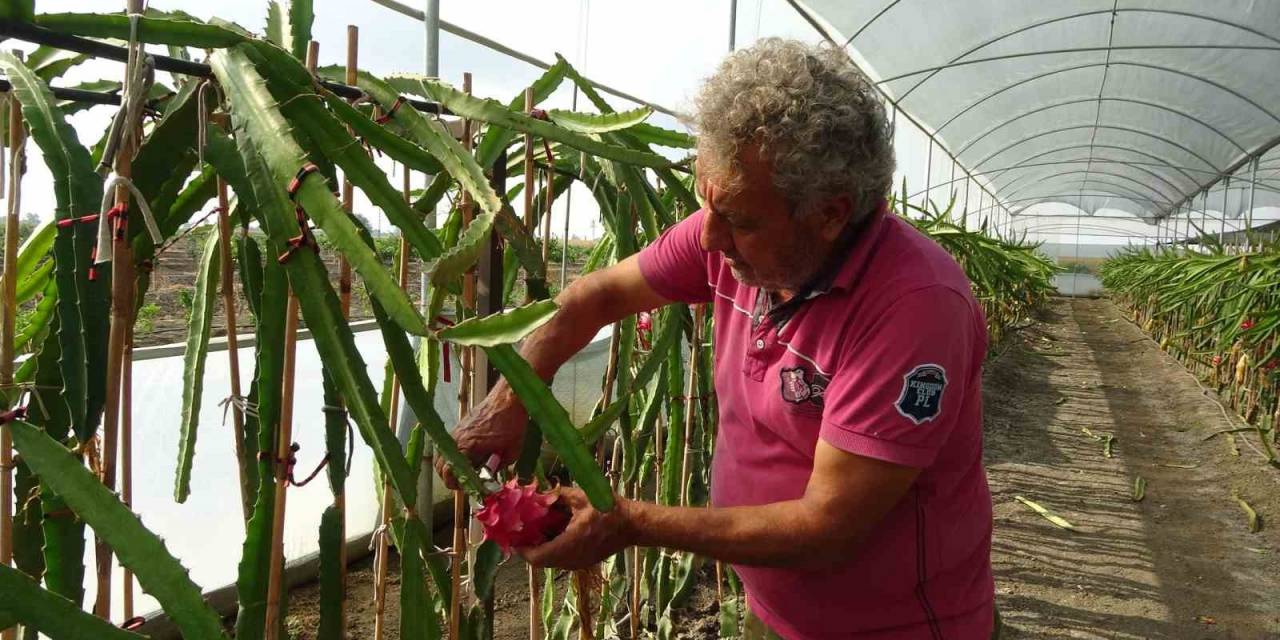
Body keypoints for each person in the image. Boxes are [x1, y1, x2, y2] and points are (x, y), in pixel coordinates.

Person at [439, 38, 995, 639]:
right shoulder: (731, 240)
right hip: (773, 607)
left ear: (831, 214)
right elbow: (594, 297)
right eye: (707, 201)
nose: (708, 238)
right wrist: (510, 402)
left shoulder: (912, 308)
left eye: (740, 219)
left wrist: (626, 521)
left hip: (896, 628)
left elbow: (825, 529)